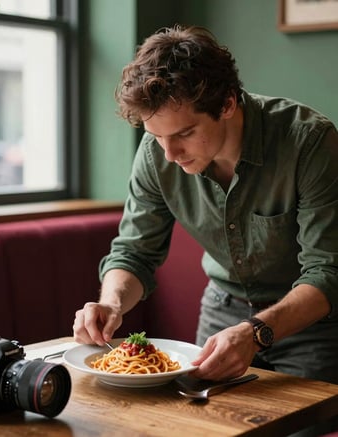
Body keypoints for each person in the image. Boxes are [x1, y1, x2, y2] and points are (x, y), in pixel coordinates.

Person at [73, 25, 338, 435]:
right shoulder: (157, 153)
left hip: (310, 326)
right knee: (199, 428)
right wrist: (111, 303)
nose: (170, 154)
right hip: (222, 309)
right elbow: (134, 252)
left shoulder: (309, 142)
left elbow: (327, 273)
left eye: (184, 134)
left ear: (228, 103)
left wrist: (255, 334)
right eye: (156, 136)